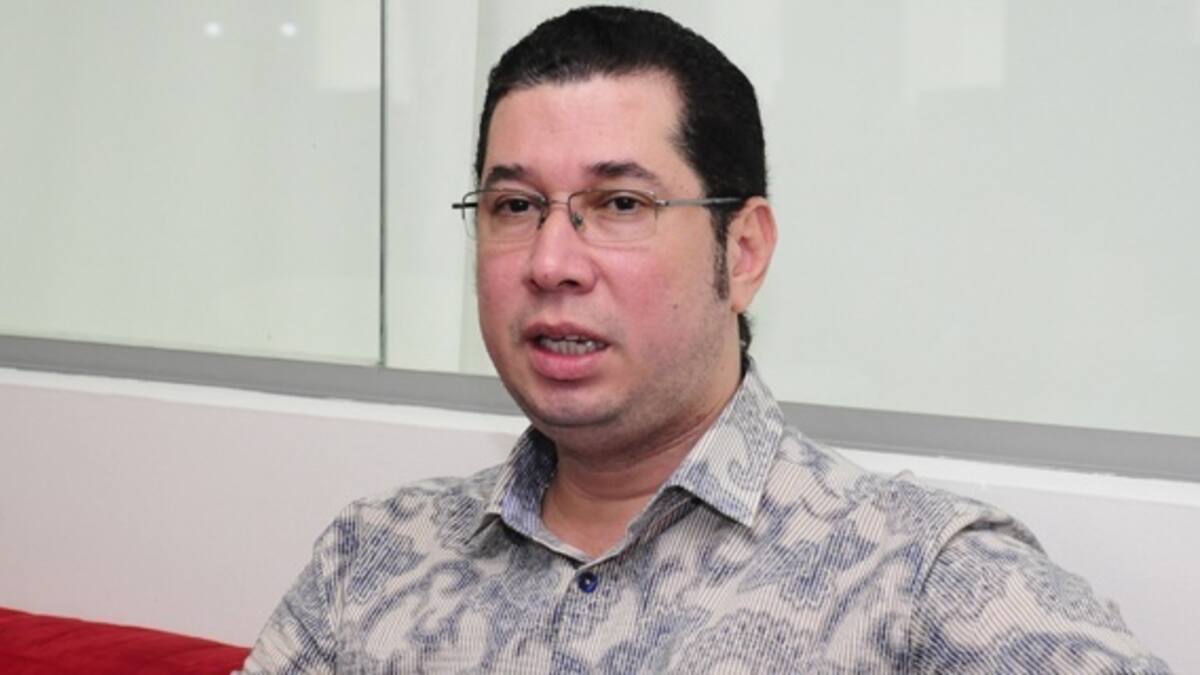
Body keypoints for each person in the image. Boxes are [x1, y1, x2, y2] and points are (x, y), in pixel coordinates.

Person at [240, 6, 1169, 673]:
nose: (552, 261)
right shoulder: (374, 559)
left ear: (744, 249)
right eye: (515, 206)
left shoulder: (918, 578)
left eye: (620, 204)